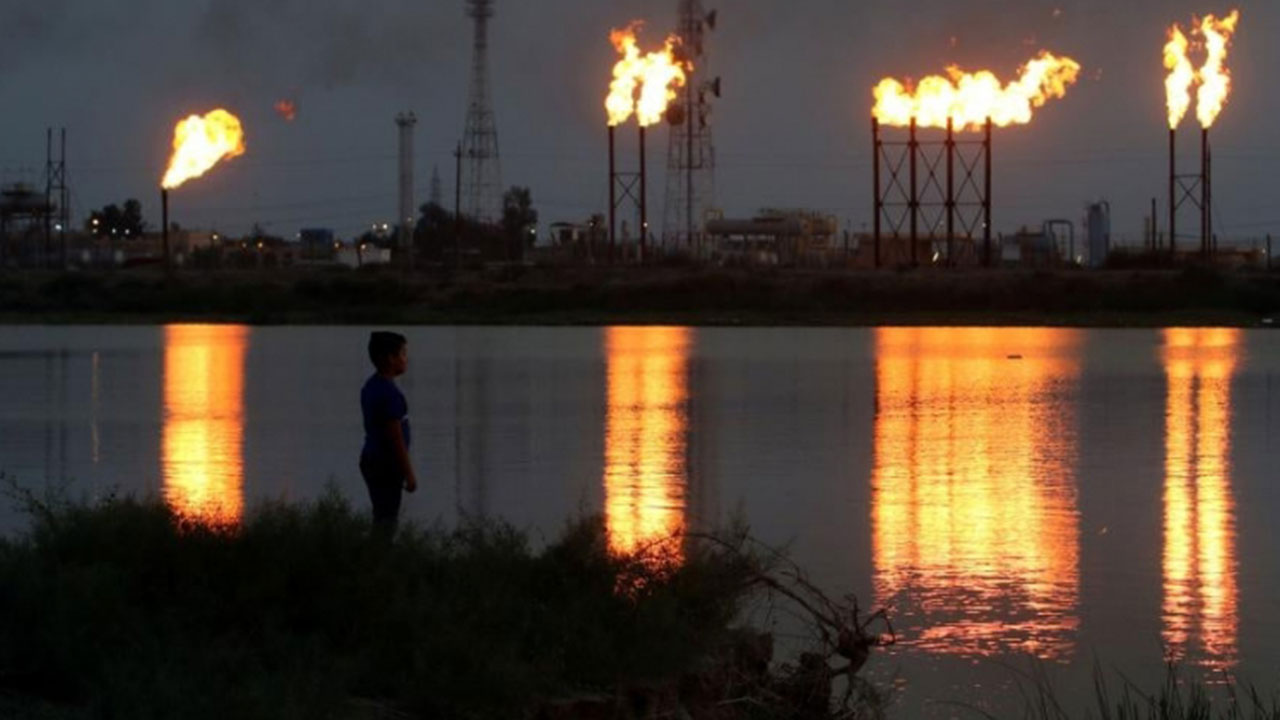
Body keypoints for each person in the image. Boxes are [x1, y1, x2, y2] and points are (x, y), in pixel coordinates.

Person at [360, 331, 417, 531]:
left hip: (371, 460)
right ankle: (380, 557)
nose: (405, 359)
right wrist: (408, 474)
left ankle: (376, 556)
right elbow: (396, 439)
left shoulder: (371, 386)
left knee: (382, 515)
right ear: (390, 359)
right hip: (385, 465)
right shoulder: (389, 394)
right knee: (387, 520)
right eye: (402, 354)